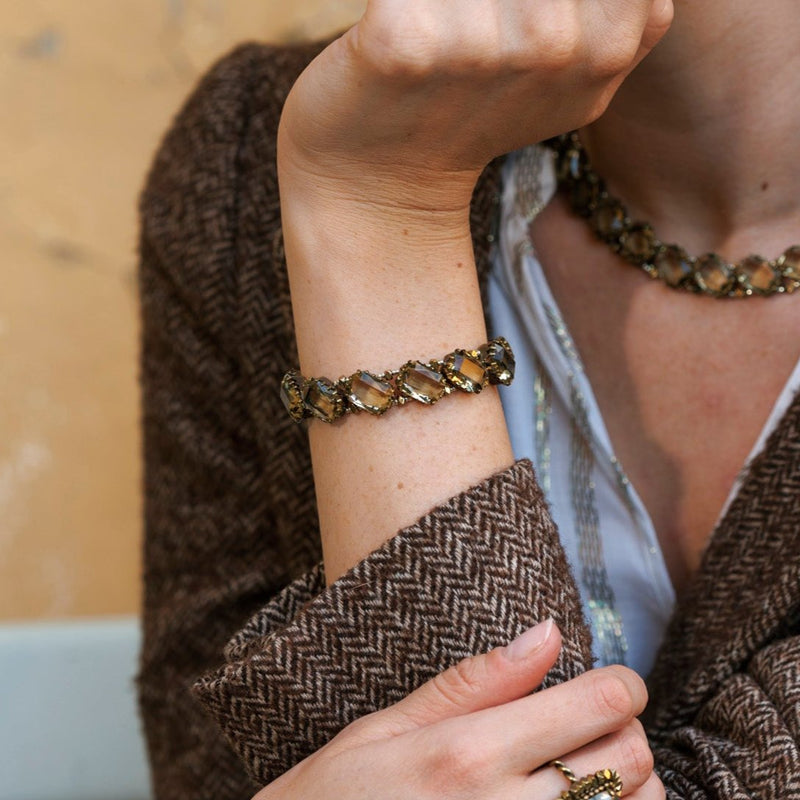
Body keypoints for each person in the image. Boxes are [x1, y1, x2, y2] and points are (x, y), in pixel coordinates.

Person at [136, 1, 800, 798]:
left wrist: (383, 209)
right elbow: (207, 771)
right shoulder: (268, 142)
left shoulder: (345, 148)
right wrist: (368, 192)